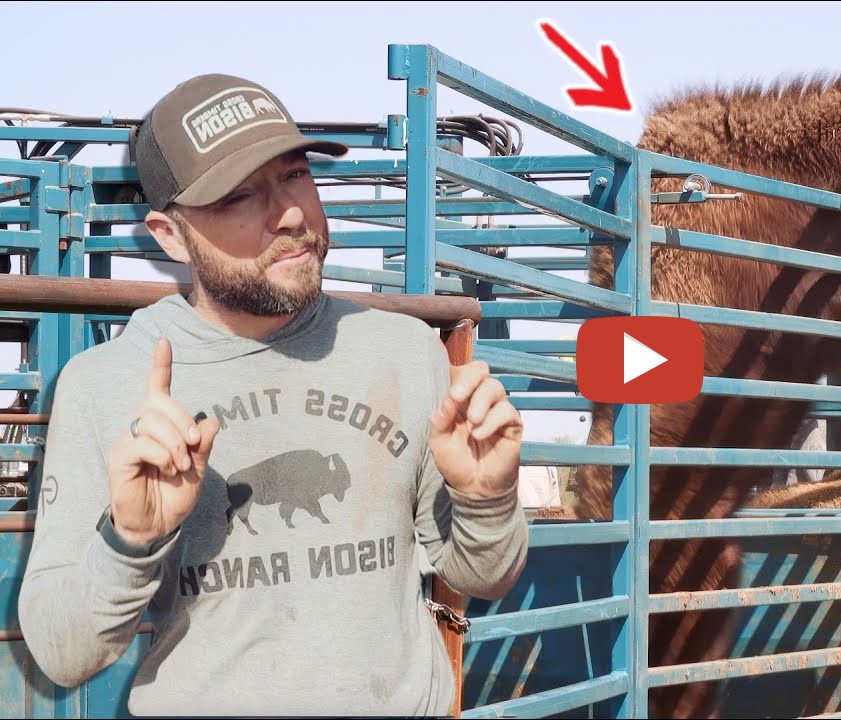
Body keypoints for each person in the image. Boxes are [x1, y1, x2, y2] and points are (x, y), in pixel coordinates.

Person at [17, 73, 529, 717]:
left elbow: (486, 576)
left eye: (294, 175)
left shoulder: (404, 352)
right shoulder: (108, 385)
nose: (290, 214)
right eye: (238, 197)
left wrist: (486, 498)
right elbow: (63, 654)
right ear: (169, 236)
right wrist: (131, 539)